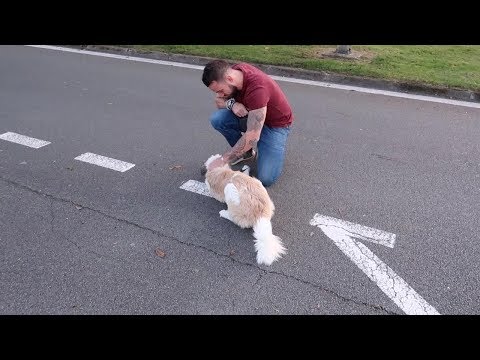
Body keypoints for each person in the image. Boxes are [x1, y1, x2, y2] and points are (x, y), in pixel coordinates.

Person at [201, 59, 294, 187]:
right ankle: (247, 153)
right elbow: (218, 102)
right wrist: (232, 104)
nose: (220, 94)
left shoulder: (257, 88)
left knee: (266, 178)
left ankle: (266, 147)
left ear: (230, 79)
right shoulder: (233, 73)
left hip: (275, 126)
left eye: (221, 91)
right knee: (218, 119)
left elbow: (253, 137)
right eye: (217, 92)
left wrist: (223, 160)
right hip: (251, 117)